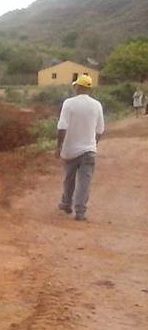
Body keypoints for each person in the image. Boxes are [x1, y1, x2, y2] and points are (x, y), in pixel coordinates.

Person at [56, 74, 105, 222]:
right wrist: (93, 144)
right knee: (85, 182)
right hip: (89, 150)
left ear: (78, 86)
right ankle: (80, 212)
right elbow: (100, 130)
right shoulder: (97, 105)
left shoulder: (69, 103)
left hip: (70, 149)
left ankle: (66, 203)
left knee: (69, 178)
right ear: (89, 88)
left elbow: (62, 126)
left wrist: (59, 146)